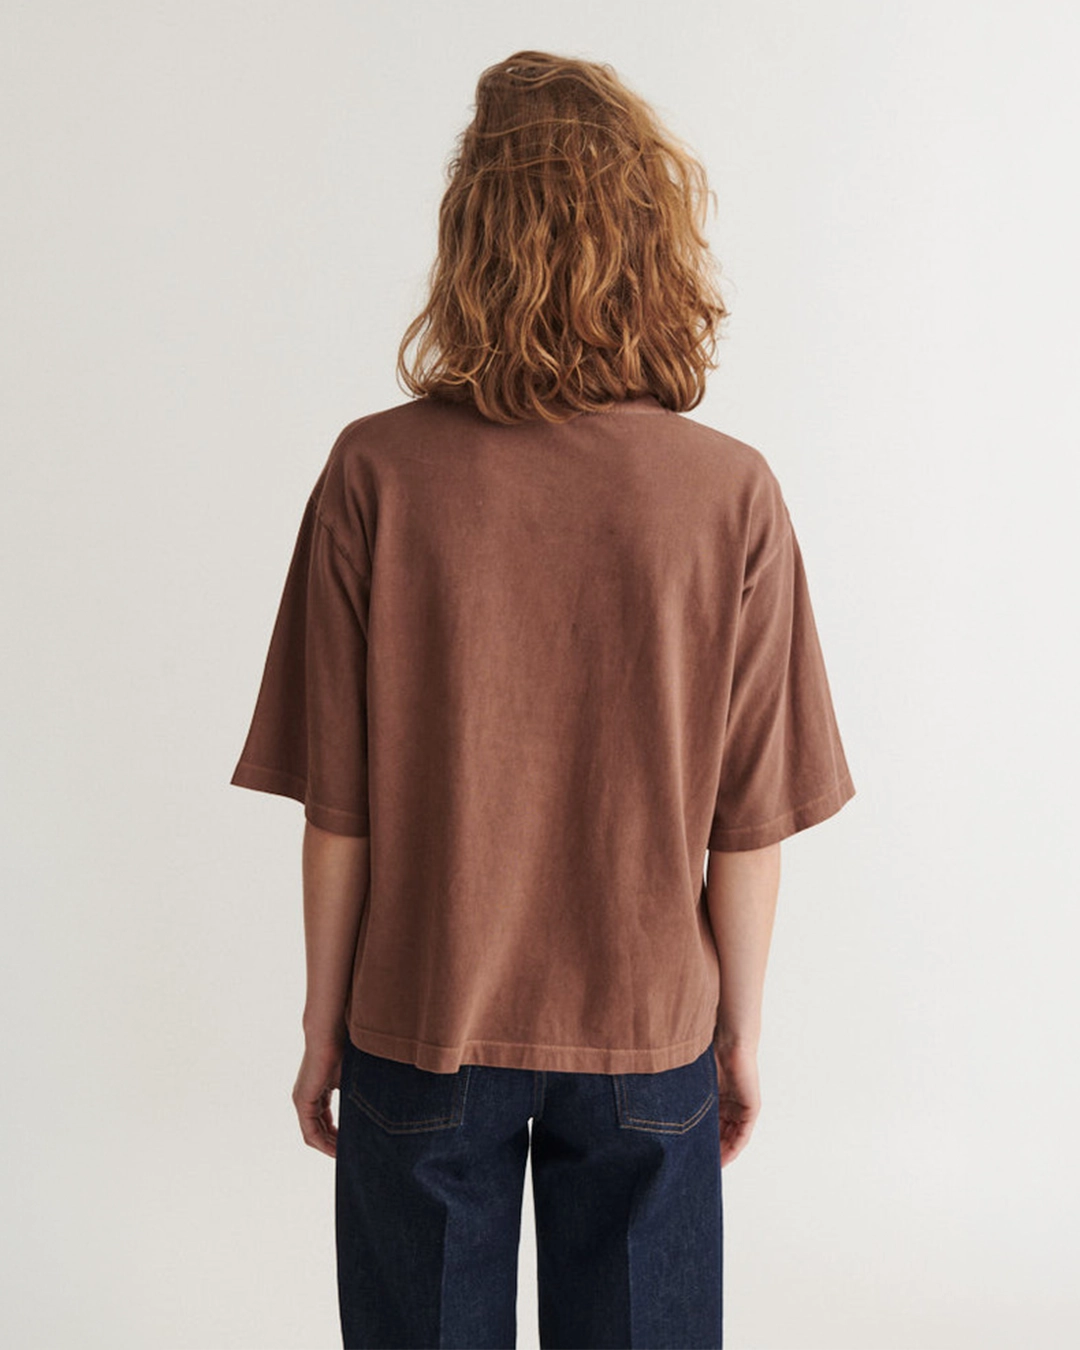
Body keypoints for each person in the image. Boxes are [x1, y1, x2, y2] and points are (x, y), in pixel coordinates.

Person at [229, 48, 855, 1350]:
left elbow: (339, 811)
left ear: (472, 239)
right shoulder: (729, 493)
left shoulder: (375, 474)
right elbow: (748, 826)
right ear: (651, 242)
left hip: (422, 1020)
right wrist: (739, 1033)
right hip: (648, 1032)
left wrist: (322, 1023)